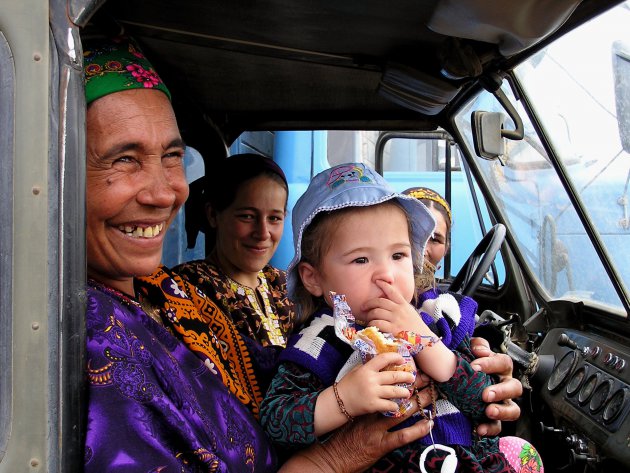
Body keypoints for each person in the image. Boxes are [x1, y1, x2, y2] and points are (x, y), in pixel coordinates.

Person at [82, 34, 439, 473]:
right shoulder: (95, 337)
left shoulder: (163, 289)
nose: (166, 191)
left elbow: (271, 366)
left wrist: (451, 362)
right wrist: (336, 455)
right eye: (123, 159)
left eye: (173, 156)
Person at [260, 163, 543, 472]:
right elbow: (276, 421)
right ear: (314, 279)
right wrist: (343, 399)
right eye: (361, 259)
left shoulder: (433, 319)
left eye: (398, 255)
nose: (387, 274)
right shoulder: (319, 342)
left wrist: (433, 348)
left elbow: (485, 404)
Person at [175, 154, 295, 347]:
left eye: (274, 218)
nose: (263, 233)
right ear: (213, 215)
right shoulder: (189, 287)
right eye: (247, 216)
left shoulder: (284, 284)